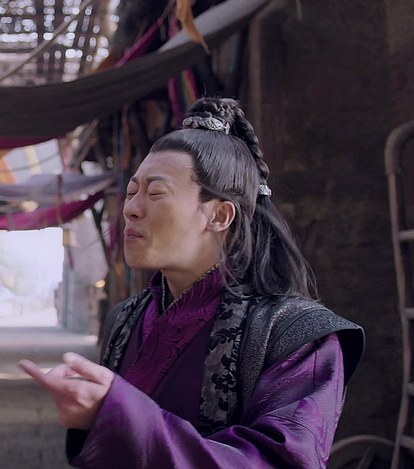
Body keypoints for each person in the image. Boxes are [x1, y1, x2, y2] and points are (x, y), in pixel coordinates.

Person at [19, 97, 364, 468]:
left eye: (155, 193)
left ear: (219, 215)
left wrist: (119, 413)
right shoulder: (126, 319)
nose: (131, 208)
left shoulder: (299, 337)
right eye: (132, 192)